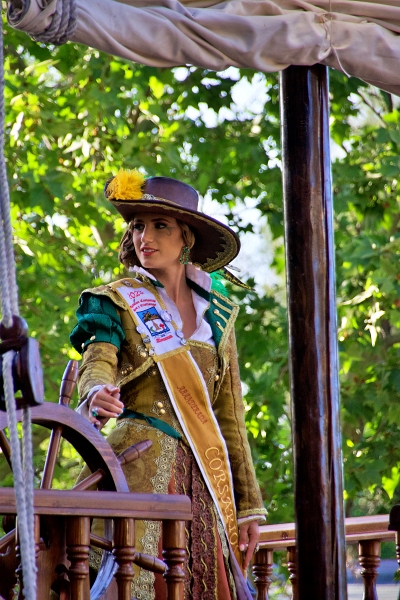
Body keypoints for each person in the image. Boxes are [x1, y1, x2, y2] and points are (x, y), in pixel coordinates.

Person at [70, 169, 267, 600]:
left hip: (205, 481)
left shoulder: (218, 316)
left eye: (160, 226)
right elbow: (98, 360)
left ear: (187, 238)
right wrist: (95, 391)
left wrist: (249, 507)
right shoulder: (116, 299)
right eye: (138, 225)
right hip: (135, 469)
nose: (145, 237)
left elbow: (230, 417)